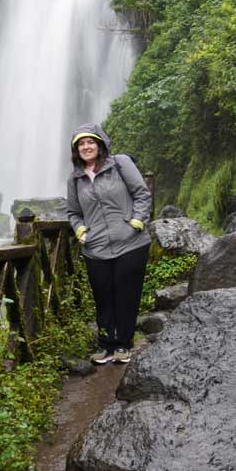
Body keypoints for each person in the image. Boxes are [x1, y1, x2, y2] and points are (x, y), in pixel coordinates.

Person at [66, 123, 151, 364]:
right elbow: (73, 211)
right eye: (81, 144)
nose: (86, 147)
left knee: (126, 294)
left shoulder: (120, 163)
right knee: (103, 296)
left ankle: (124, 344)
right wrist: (81, 230)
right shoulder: (75, 179)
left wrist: (136, 221)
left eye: (90, 142)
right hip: (96, 248)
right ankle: (106, 346)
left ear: (100, 143)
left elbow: (142, 193)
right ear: (76, 150)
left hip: (130, 243)